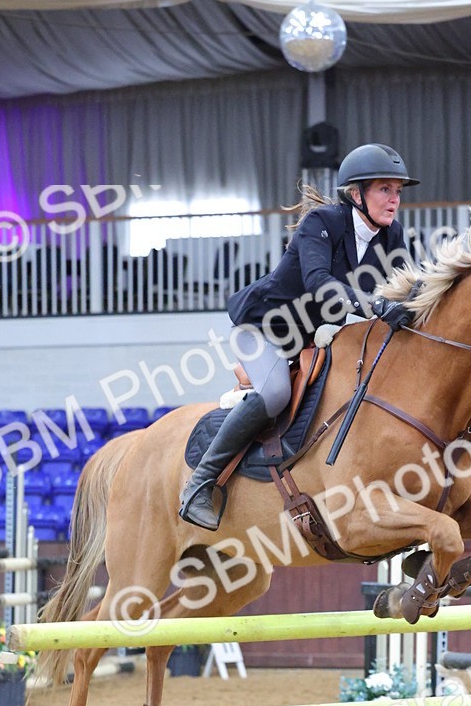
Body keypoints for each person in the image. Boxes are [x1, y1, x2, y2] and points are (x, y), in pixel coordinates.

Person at [178, 143, 419, 530]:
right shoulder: (322, 223)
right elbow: (319, 283)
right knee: (275, 393)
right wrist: (375, 305)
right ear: (356, 194)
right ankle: (199, 483)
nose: (394, 200)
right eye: (385, 190)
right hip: (262, 327)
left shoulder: (392, 235)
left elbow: (407, 287)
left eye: (398, 191)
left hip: (310, 337)